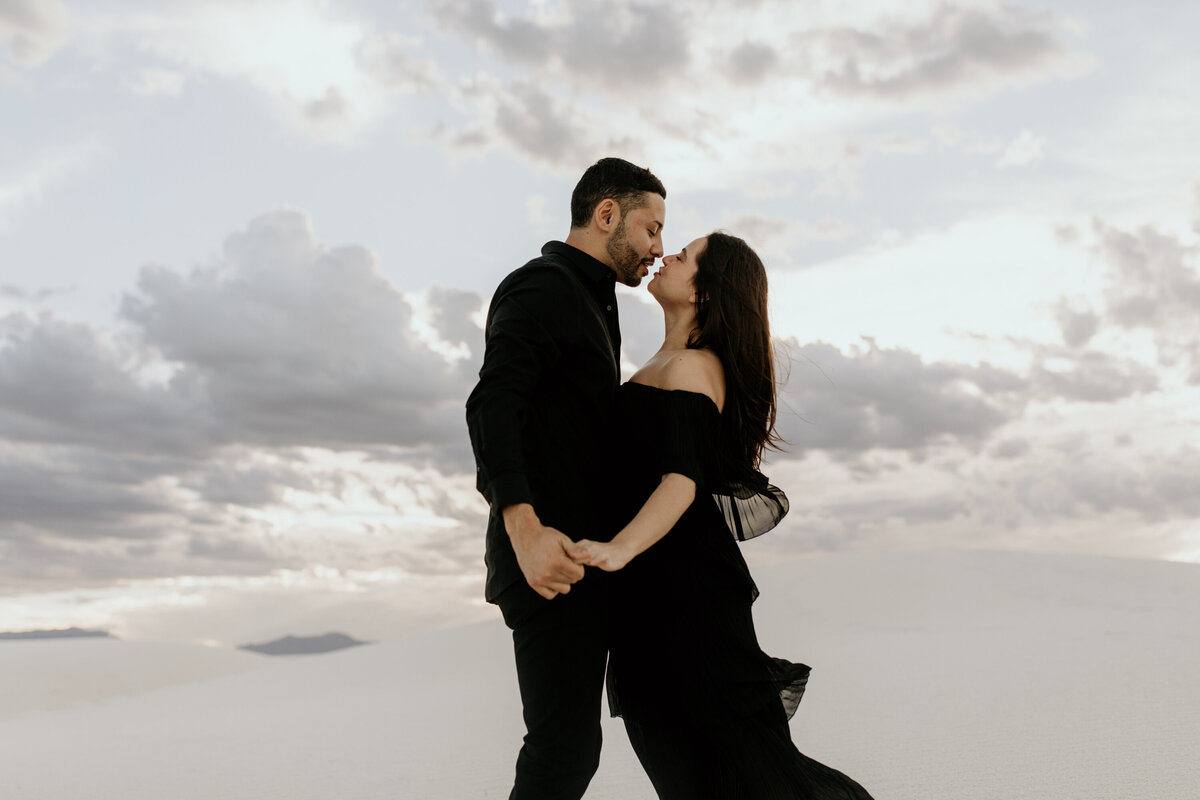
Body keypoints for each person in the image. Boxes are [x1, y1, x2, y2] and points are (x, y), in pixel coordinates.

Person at [576, 232, 875, 799]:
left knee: (743, 775)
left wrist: (620, 549)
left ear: (706, 294)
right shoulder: (663, 362)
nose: (666, 256)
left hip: (686, 601)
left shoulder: (692, 368)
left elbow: (681, 481)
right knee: (687, 773)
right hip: (648, 601)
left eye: (684, 257)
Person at [465, 157, 666, 800]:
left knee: (575, 749)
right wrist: (523, 526)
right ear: (607, 215)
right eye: (651, 228)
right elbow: (493, 404)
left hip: (581, 559)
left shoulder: (593, 298)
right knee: (564, 748)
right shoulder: (544, 286)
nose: (658, 249)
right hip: (547, 559)